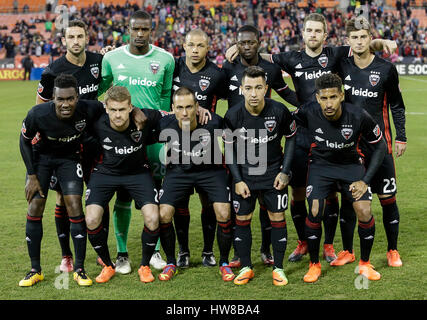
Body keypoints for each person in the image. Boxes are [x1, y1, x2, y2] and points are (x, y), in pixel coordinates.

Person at [226, 13, 396, 264]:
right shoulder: (291, 58)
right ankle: (304, 242)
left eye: (318, 31)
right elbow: (262, 55)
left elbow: (360, 44)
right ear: (303, 34)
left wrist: (381, 42)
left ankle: (327, 245)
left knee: (327, 193)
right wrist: (237, 47)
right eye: (309, 30)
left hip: (328, 129)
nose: (313, 35)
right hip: (302, 130)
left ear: (324, 35)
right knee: (295, 192)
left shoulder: (335, 53)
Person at [100, 10, 175, 273]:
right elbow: (102, 92)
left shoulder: (166, 59)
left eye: (145, 29)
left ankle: (153, 251)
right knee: (122, 196)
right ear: (128, 30)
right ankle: (122, 254)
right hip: (121, 137)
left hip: (153, 140)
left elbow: (165, 100)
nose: (140, 34)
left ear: (151, 30)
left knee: (152, 196)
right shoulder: (111, 58)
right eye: (136, 29)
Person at [293, 73, 386, 282]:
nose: (328, 103)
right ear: (317, 98)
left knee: (364, 210)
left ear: (341, 96)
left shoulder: (358, 115)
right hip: (320, 166)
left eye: (333, 97)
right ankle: (314, 265)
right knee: (315, 210)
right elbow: (287, 123)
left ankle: (365, 264)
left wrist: (365, 180)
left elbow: (380, 145)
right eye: (324, 98)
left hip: (350, 166)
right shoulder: (308, 110)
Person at [332, 16, 406, 268]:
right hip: (350, 147)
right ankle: (347, 251)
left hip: (380, 145)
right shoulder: (341, 66)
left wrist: (402, 136)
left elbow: (396, 104)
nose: (359, 41)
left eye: (364, 36)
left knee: (388, 199)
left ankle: (392, 250)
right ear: (348, 40)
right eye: (354, 37)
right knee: (349, 200)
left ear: (369, 37)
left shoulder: (385, 68)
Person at [222, 24, 298, 268]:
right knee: (241, 206)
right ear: (236, 42)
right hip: (239, 142)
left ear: (259, 42)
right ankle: (239, 255)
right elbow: (211, 90)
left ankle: (267, 250)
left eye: (251, 42)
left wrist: (311, 107)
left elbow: (288, 96)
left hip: (267, 142)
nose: (246, 46)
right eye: (241, 42)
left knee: (270, 207)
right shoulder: (228, 66)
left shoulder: (271, 70)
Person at [18, 74, 105, 287]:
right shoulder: (37, 114)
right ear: (53, 98)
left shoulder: (90, 108)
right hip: (42, 159)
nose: (65, 104)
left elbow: (111, 105)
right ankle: (35, 270)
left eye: (70, 99)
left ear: (77, 97)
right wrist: (31, 176)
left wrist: (138, 111)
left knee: (75, 205)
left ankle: (80, 270)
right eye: (60, 99)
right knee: (36, 205)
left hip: (69, 159)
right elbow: (24, 141)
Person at [35, 20, 105, 273]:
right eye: (71, 36)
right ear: (64, 40)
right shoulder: (52, 70)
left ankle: (100, 251)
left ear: (87, 37)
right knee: (64, 199)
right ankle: (66, 255)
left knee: (98, 195)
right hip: (64, 146)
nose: (76, 41)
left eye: (80, 36)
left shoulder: (99, 61)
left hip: (93, 141)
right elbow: (40, 106)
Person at [155, 87, 235, 282]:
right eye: (180, 107)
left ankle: (224, 262)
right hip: (178, 172)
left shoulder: (213, 121)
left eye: (189, 107)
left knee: (224, 212)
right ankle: (172, 261)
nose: (184, 112)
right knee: (163, 214)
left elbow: (233, 141)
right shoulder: (164, 123)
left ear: (198, 107)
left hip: (210, 171)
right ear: (172, 108)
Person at [85, 86, 163, 284]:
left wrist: (199, 110)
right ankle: (108, 264)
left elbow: (173, 115)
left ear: (131, 107)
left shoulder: (146, 117)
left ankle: (145, 266)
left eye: (122, 109)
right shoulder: (96, 122)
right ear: (106, 108)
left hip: (138, 173)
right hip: (105, 173)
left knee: (153, 218)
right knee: (92, 219)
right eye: (113, 110)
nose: (117, 115)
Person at [171, 28, 228, 268]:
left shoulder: (216, 74)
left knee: (208, 202)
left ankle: (207, 251)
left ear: (208, 48)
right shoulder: (172, 68)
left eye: (200, 46)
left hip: (208, 146)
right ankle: (183, 251)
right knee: (180, 203)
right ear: (184, 46)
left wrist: (209, 112)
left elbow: (232, 104)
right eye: (191, 45)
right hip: (175, 143)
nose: (195, 50)